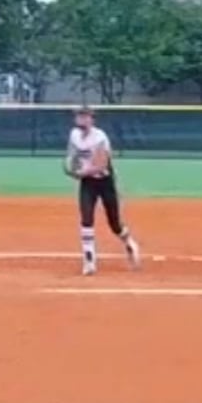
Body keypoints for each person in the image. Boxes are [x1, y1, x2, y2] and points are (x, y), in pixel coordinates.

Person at [65, 105, 141, 276]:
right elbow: (73, 154)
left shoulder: (100, 138)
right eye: (78, 116)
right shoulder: (74, 135)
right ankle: (89, 261)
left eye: (84, 116)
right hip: (88, 183)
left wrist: (81, 172)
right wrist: (72, 166)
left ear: (91, 120)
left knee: (114, 224)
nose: (80, 119)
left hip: (105, 183)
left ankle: (129, 242)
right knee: (86, 219)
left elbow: (101, 165)